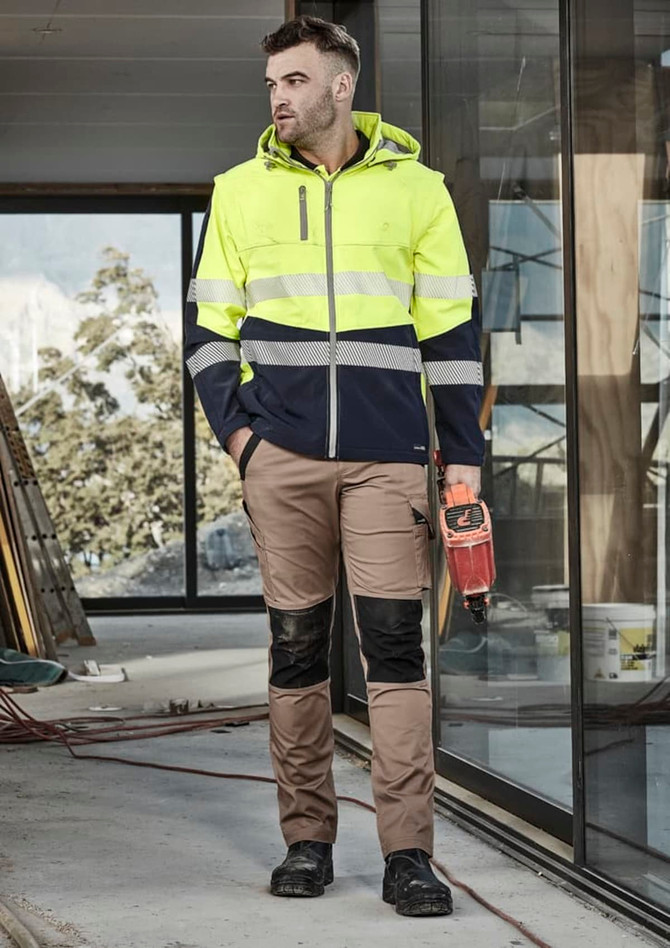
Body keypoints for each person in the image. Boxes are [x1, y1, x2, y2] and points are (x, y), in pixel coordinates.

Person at [184, 15, 483, 918]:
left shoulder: (418, 191)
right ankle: (307, 840)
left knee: (395, 659)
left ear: (341, 85)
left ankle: (408, 857)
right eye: (273, 82)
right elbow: (207, 337)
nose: (279, 97)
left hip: (391, 464)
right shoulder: (238, 191)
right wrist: (245, 442)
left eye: (297, 80)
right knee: (296, 655)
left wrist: (461, 462)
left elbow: (453, 341)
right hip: (283, 464)